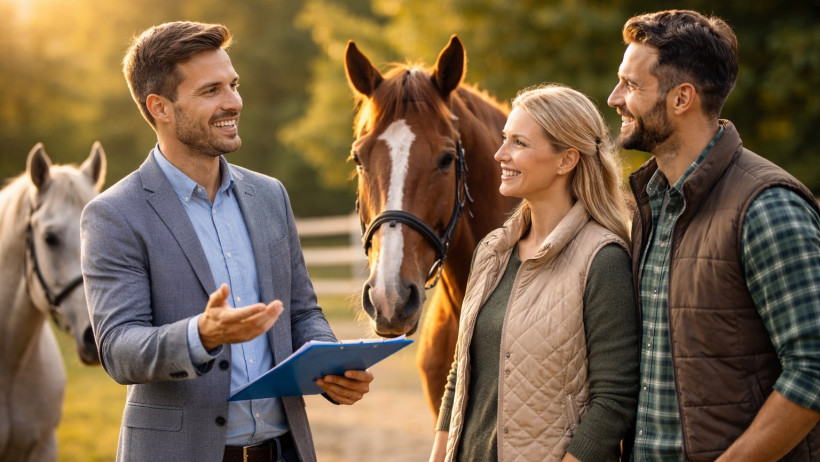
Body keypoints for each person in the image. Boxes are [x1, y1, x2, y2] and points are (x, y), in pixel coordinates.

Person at [80, 21, 373, 462]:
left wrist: (330, 366)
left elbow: (301, 311)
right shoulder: (114, 215)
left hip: (283, 451)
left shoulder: (270, 195)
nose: (234, 102)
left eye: (233, 85)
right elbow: (120, 350)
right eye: (211, 90)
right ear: (159, 106)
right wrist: (201, 335)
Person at [607, 9, 820, 461]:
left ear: (681, 98)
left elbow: (813, 371)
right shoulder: (651, 203)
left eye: (631, 85)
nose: (614, 98)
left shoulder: (768, 207)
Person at [429, 83, 640, 462]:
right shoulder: (491, 252)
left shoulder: (603, 259)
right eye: (504, 138)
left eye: (519, 143)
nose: (500, 154)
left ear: (566, 160)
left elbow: (614, 400)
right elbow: (460, 374)